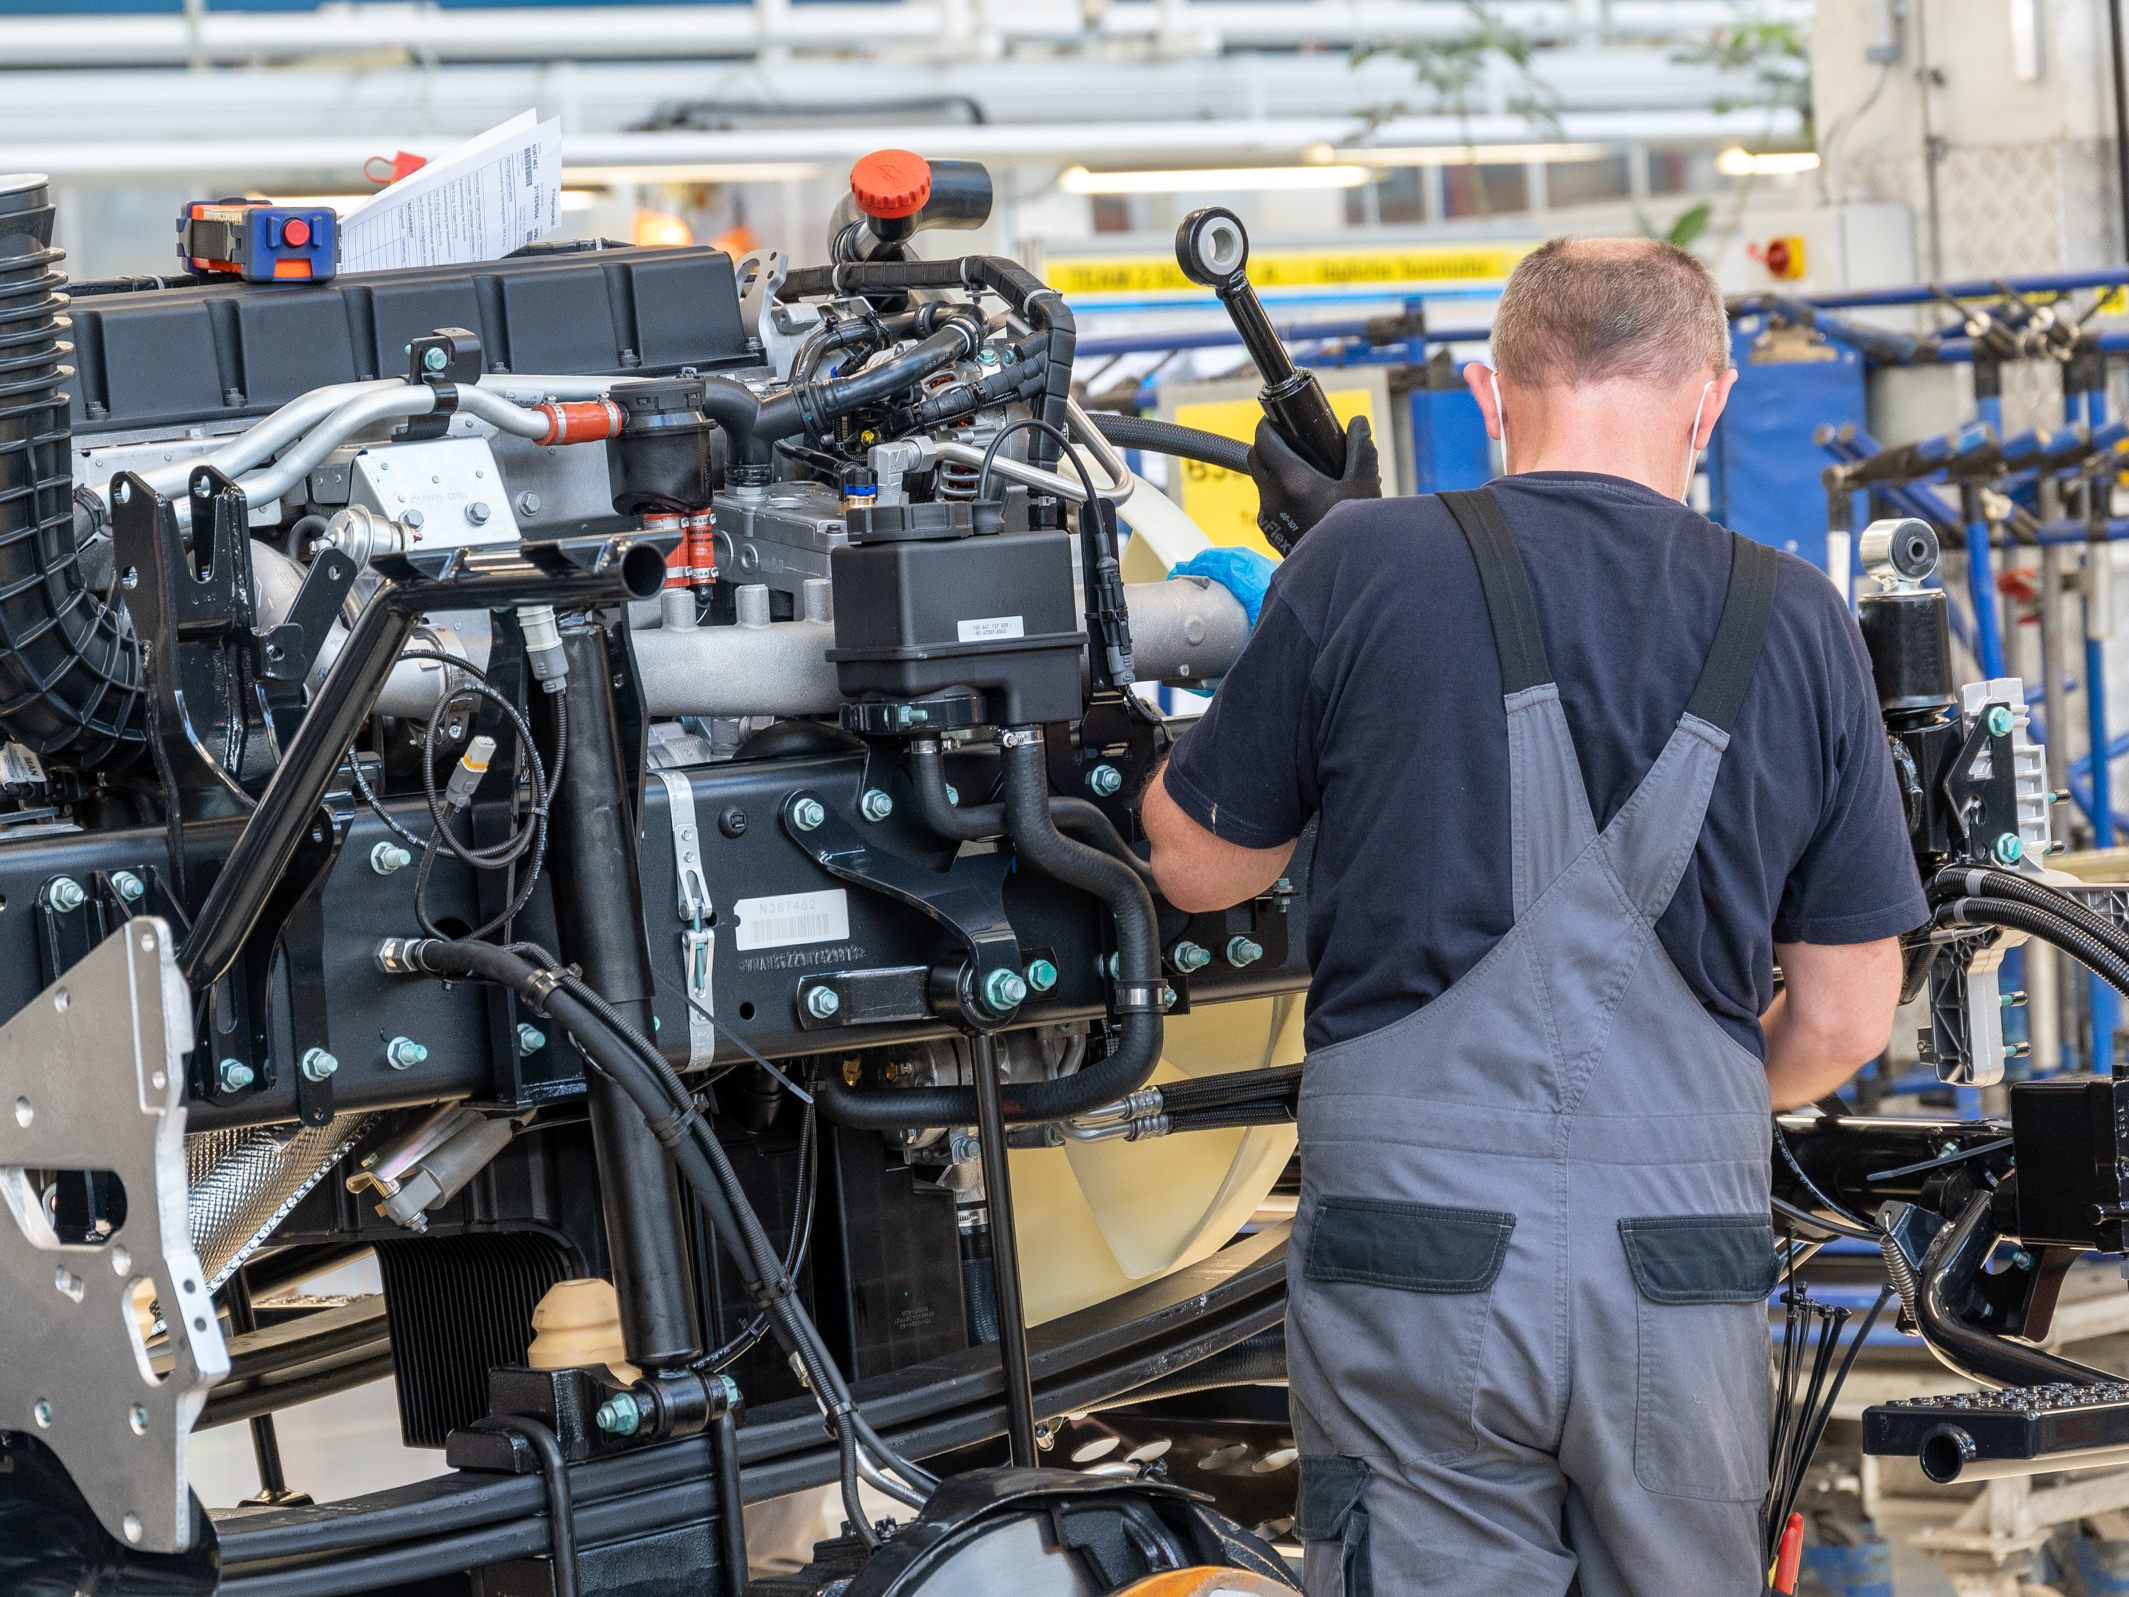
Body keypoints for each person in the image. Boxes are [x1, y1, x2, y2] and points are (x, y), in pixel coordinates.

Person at [1143, 237, 1926, 1595]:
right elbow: (1851, 1011)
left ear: (1485, 389)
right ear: (1712, 397)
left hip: (1416, 1250)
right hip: (1679, 1263)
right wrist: (1682, 1117)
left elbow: (1198, 866)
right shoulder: (1794, 620)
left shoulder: (1358, 566)